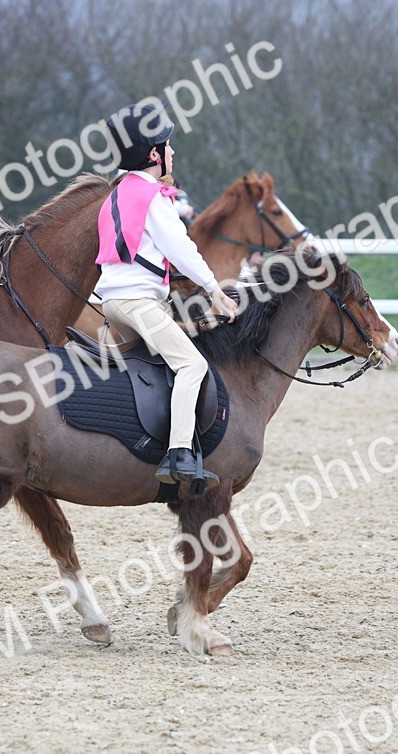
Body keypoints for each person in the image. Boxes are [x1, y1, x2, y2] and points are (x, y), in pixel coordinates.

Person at [95, 102, 239, 488]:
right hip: (139, 303)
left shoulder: (115, 194)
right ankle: (178, 453)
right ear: (154, 154)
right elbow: (181, 249)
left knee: (157, 366)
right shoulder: (153, 198)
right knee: (192, 366)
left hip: (112, 303)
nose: (173, 152)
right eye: (169, 146)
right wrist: (213, 289)